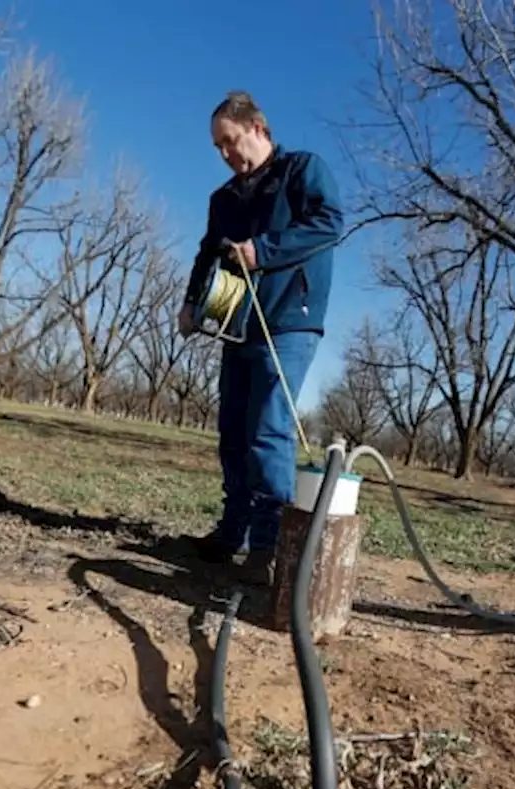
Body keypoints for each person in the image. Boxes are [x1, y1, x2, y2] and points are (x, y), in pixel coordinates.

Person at [178, 90, 344, 582]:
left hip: (291, 320)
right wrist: (191, 303)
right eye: (217, 148)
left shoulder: (302, 170)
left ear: (258, 130)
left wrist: (264, 250)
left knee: (269, 427)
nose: (225, 154)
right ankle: (234, 532)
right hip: (239, 325)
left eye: (230, 141)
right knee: (232, 427)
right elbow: (207, 253)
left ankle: (269, 548)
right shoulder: (223, 199)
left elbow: (329, 223)